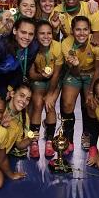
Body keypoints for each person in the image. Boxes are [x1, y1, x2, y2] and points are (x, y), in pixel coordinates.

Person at [60, 16, 99, 158]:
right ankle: (68, 140)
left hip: (92, 74)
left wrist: (90, 92)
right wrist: (76, 65)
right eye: (78, 29)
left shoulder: (95, 42)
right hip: (75, 73)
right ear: (72, 31)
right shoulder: (66, 44)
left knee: (91, 106)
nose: (82, 33)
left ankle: (92, 145)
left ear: (90, 30)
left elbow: (98, 70)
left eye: (85, 29)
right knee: (67, 104)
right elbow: (74, 71)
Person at [28, 21, 63, 158]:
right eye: (42, 33)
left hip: (55, 80)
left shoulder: (57, 47)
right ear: (36, 35)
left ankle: (49, 140)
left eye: (49, 33)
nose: (46, 36)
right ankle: (34, 141)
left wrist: (50, 95)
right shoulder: (33, 48)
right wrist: (41, 75)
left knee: (50, 105)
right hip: (39, 78)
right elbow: (31, 74)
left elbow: (57, 74)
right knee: (37, 104)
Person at [0, 17, 37, 95]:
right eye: (23, 32)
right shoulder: (0, 46)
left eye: (31, 34)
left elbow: (21, 71)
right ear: (15, 31)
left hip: (4, 76)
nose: (27, 37)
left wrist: (10, 88)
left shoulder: (33, 47)